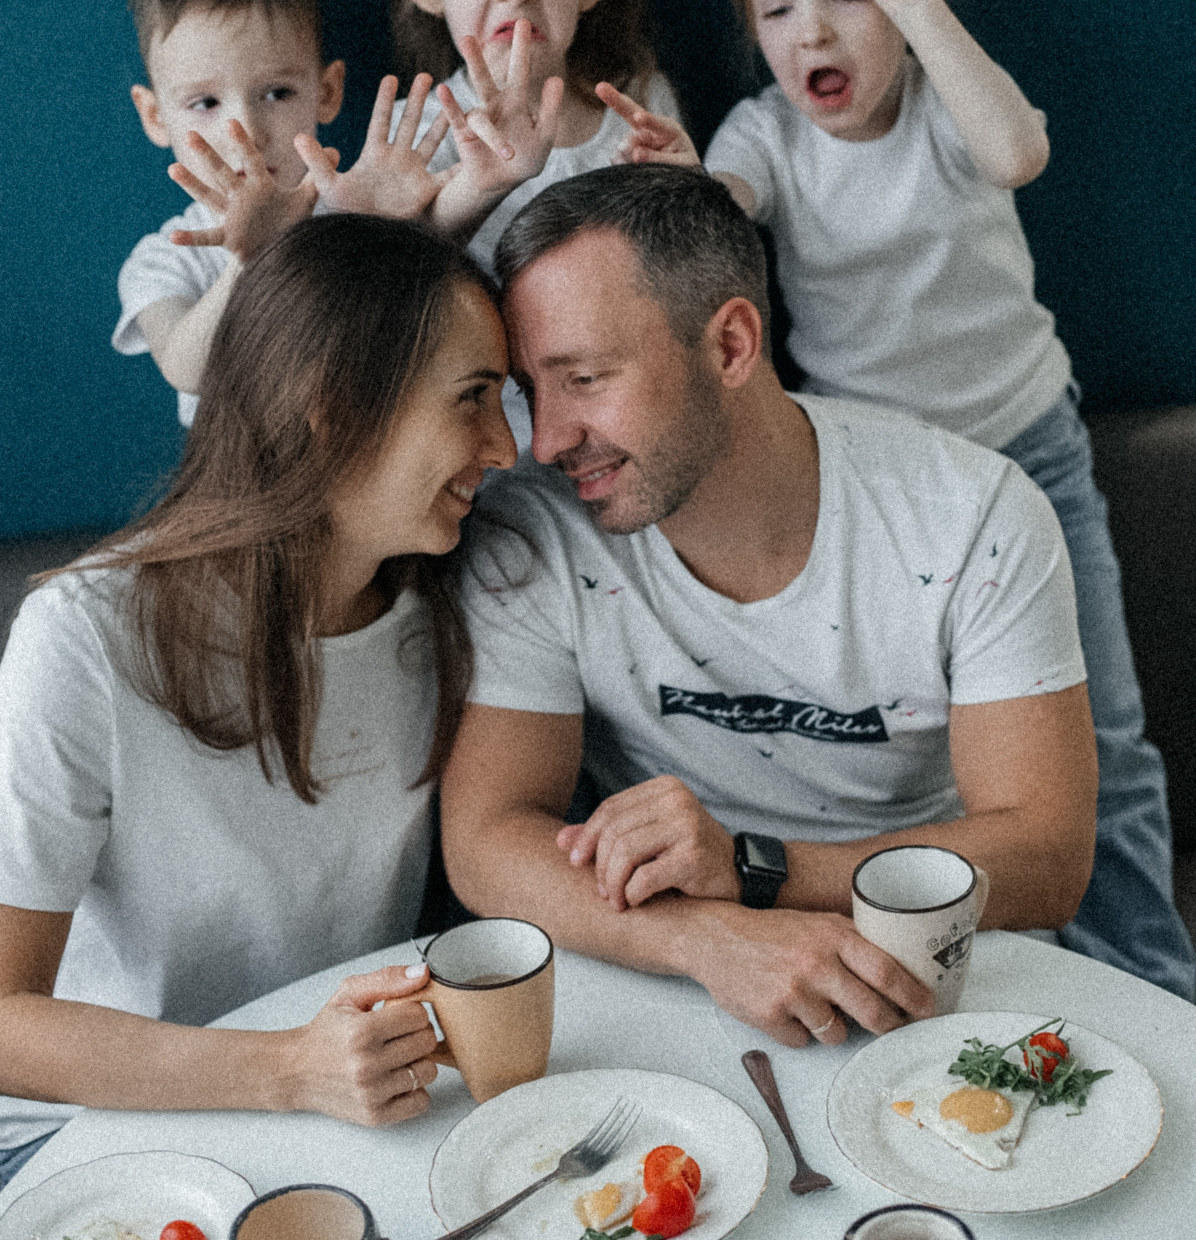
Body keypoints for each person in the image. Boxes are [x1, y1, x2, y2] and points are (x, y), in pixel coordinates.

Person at [599, 0, 1194, 1001]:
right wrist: (678, 186)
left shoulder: (941, 110)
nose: (812, 31)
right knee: (950, 758)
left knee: (1105, 747)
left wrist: (917, 4)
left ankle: (1156, 990)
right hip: (884, 494)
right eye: (777, 9)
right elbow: (724, 218)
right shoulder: (764, 136)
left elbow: (1020, 150)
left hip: (1030, 448)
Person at [439, 166, 1100, 1049]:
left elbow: (1048, 857)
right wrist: (710, 938)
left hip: (944, 969)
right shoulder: (534, 531)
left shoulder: (972, 514)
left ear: (731, 345)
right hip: (686, 975)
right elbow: (485, 839)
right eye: (532, 390)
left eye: (587, 378)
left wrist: (755, 873)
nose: (550, 439)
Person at [0, 215, 515, 1190]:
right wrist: (286, 1069)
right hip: (86, 1142)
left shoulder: (450, 605)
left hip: (347, 1120)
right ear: (327, 403)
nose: (505, 447)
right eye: (473, 398)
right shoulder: (84, 636)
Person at [296, 0, 680, 447]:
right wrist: (448, 204)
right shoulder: (419, 131)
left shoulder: (638, 99)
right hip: (493, 437)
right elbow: (396, 305)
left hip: (630, 419)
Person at [114, 0, 347, 426]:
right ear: (155, 116)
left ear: (326, 92)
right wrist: (250, 257)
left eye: (276, 93)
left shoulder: (358, 219)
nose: (244, 131)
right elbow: (185, 366)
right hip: (242, 493)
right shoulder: (166, 261)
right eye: (206, 102)